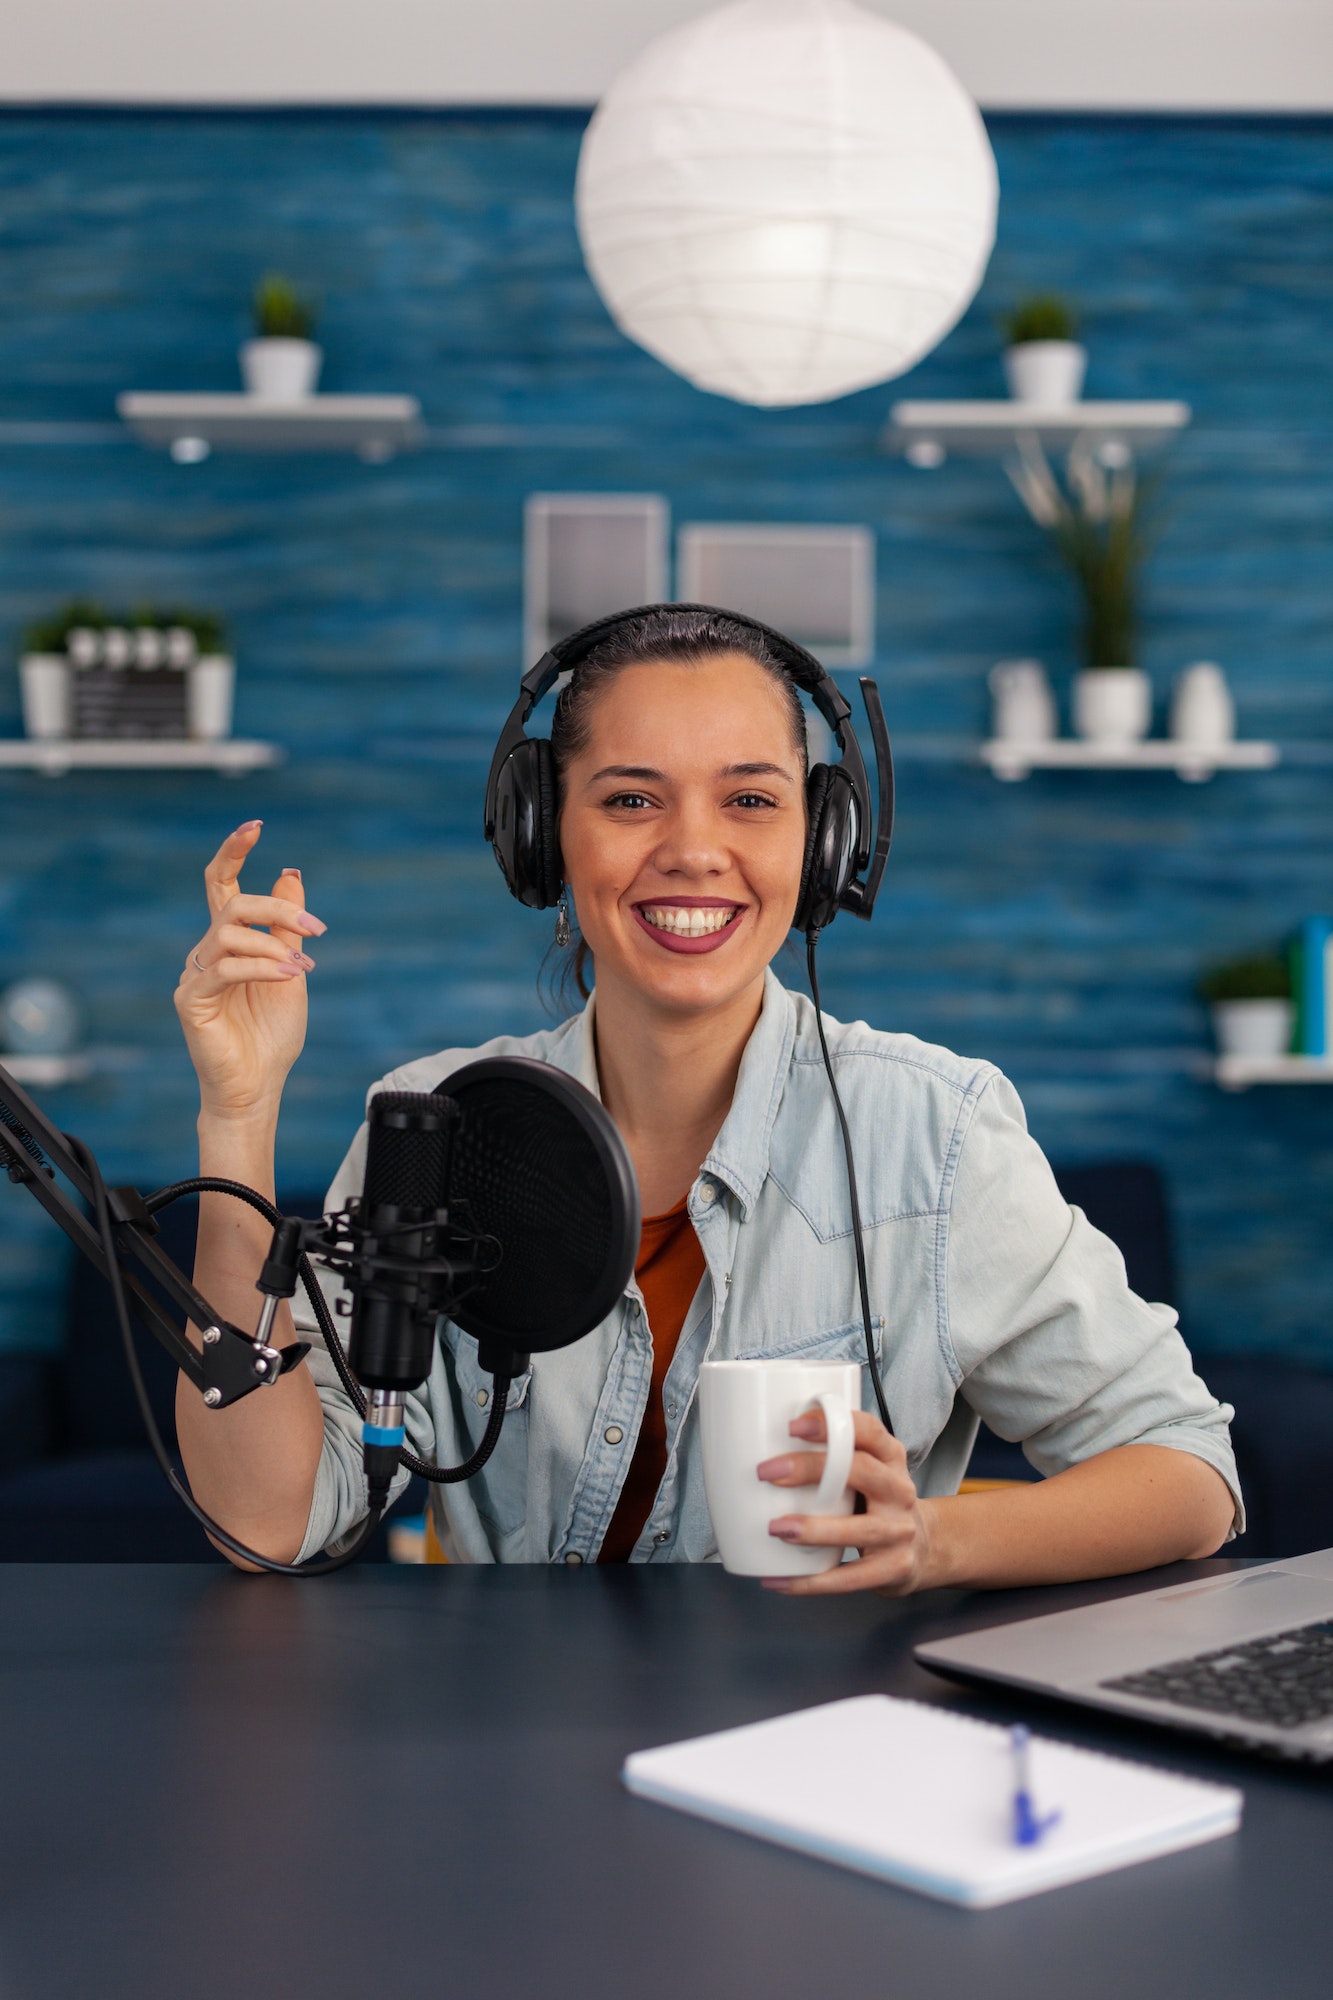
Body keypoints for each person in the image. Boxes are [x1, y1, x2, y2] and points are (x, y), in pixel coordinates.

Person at [174, 606, 1240, 1588]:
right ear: (544, 834)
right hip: (506, 1748)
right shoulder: (436, 1122)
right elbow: (271, 1521)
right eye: (631, 798)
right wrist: (240, 1113)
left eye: (750, 799)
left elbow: (1189, 1471)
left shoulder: (936, 1133)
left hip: (823, 1743)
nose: (692, 850)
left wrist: (934, 1540)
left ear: (821, 843)